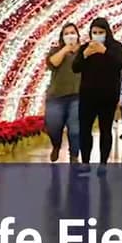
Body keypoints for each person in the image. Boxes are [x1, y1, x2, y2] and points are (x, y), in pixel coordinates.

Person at [71, 17, 122, 165]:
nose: (97, 35)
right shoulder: (85, 48)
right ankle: (85, 162)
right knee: (85, 130)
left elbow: (119, 64)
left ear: (107, 32)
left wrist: (104, 51)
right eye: (94, 32)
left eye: (100, 32)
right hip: (87, 96)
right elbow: (75, 68)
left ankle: (103, 162)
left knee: (105, 130)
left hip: (108, 96)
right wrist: (84, 55)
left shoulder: (116, 47)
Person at [44, 23, 82, 163]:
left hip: (77, 97)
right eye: (66, 33)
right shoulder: (56, 50)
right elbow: (52, 63)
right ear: (62, 37)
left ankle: (74, 156)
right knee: (53, 126)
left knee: (75, 129)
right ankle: (56, 145)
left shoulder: (83, 52)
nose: (70, 35)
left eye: (72, 32)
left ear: (78, 35)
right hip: (56, 97)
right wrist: (65, 49)